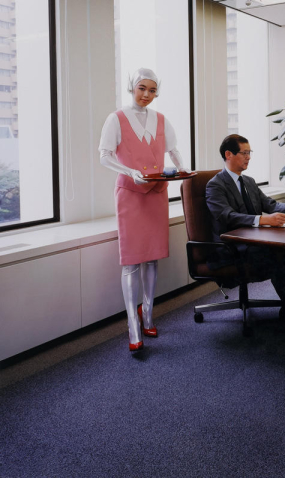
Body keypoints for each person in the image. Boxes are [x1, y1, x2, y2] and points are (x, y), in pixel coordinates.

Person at [99, 68, 190, 352]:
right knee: (131, 261)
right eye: (142, 88)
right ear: (131, 87)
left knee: (152, 259)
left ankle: (148, 313)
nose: (147, 95)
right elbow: (104, 155)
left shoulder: (161, 119)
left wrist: (183, 168)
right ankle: (132, 325)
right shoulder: (116, 118)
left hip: (156, 193)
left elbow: (173, 150)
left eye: (152, 90)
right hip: (130, 195)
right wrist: (129, 172)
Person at [206, 134, 285, 320]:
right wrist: (263, 220)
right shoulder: (215, 185)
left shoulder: (248, 181)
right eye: (244, 153)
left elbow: (270, 205)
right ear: (228, 154)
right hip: (232, 247)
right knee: (278, 254)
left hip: (256, 241)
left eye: (250, 152)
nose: (249, 157)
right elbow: (227, 216)